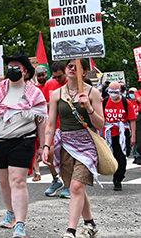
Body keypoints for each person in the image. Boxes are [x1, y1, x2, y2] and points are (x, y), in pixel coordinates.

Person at [0, 54, 46, 238]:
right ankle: (10, 212)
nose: (13, 69)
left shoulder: (34, 94)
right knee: (4, 182)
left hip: (23, 140)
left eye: (17, 66)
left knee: (18, 181)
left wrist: (43, 146)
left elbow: (41, 121)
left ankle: (20, 224)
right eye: (10, 66)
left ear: (26, 70)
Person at [42, 59, 104, 238]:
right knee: (74, 187)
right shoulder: (56, 94)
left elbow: (100, 125)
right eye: (69, 65)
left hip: (87, 145)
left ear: (84, 71)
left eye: (75, 66)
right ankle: (90, 223)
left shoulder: (93, 92)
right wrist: (47, 145)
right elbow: (51, 124)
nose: (70, 68)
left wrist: (89, 108)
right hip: (66, 145)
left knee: (76, 187)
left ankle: (70, 231)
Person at [42, 61, 71, 199]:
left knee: (66, 156)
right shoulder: (49, 84)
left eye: (59, 76)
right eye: (54, 77)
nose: (57, 79)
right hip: (53, 125)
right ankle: (55, 180)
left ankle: (68, 185)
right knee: (48, 153)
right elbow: (43, 103)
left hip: (68, 126)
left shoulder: (72, 84)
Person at [102, 82, 136, 191]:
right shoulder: (104, 102)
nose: (113, 94)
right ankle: (115, 175)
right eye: (110, 92)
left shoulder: (126, 103)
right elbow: (100, 118)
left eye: (115, 92)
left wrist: (133, 136)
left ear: (120, 91)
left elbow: (132, 120)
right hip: (109, 134)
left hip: (123, 134)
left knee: (121, 157)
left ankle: (118, 179)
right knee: (112, 157)